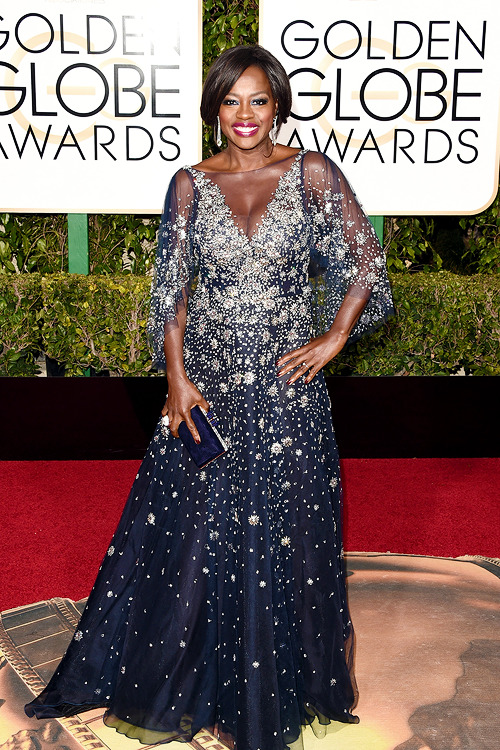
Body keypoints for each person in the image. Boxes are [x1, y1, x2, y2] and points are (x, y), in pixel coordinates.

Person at [25, 45, 393, 750]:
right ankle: (188, 682)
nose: (245, 115)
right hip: (210, 390)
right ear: (214, 109)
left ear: (277, 105)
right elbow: (171, 294)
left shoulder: (311, 171)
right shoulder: (189, 183)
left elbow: (364, 263)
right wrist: (177, 380)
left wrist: (335, 338)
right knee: (192, 541)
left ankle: (276, 689)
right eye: (231, 101)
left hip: (289, 393)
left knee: (287, 534)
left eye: (257, 100)